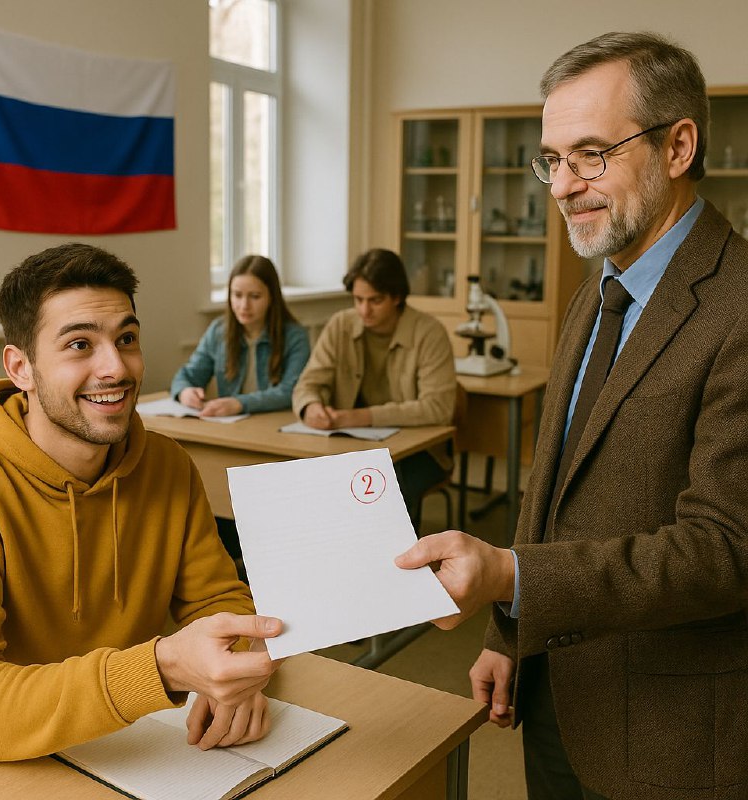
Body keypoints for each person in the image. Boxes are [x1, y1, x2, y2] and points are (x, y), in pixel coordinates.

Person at [396, 32, 748, 800]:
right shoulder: (598, 290)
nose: (561, 185)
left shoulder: (740, 305)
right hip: (552, 692)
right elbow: (551, 486)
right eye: (552, 159)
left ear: (678, 145)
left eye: (591, 154)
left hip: (669, 733)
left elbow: (725, 550)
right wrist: (509, 635)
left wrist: (507, 574)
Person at [0, 243, 283, 762]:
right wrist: (162, 667)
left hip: (147, 753)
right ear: (21, 368)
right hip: (15, 766)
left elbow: (221, 603)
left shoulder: (168, 465)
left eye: (126, 338)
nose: (116, 368)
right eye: (79, 344)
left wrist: (237, 679)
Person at [292, 248, 456, 529]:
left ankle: (388, 563)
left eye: (375, 301)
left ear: (397, 297)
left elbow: (438, 408)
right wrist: (310, 408)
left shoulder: (429, 332)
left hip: (420, 451)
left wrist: (359, 417)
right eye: (358, 300)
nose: (364, 310)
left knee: (383, 492)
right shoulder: (340, 325)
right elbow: (307, 384)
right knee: (309, 484)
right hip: (353, 443)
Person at [171, 254, 310, 417]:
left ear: (272, 297)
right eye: (237, 295)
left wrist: (240, 403)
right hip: (231, 425)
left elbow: (291, 391)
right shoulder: (218, 331)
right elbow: (188, 374)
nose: (244, 305)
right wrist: (185, 392)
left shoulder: (295, 336)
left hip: (274, 423)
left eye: (255, 296)